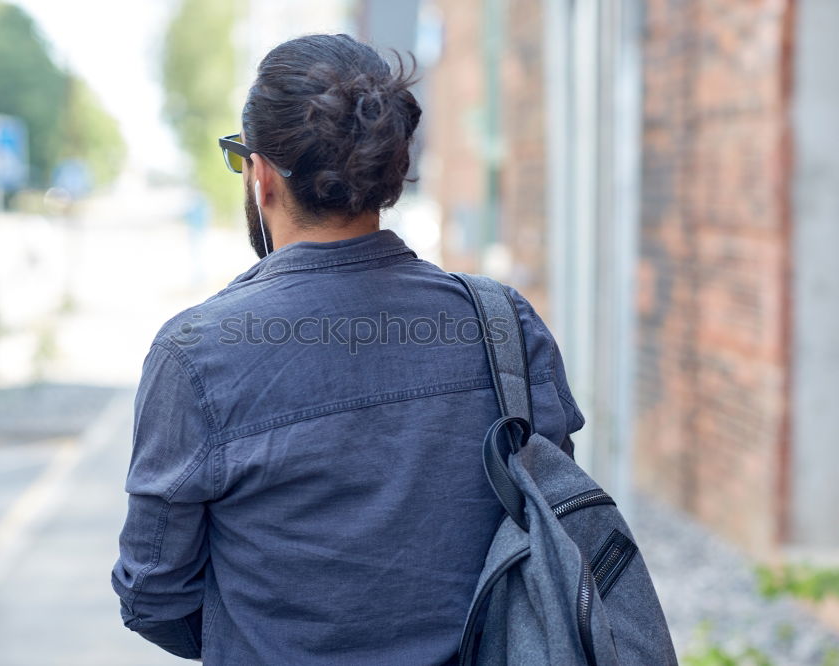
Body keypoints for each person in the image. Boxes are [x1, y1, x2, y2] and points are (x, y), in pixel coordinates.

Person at [111, 34, 583, 665]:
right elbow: (557, 524)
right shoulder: (500, 321)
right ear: (388, 171)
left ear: (262, 175)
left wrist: (254, 634)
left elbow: (153, 594)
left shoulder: (197, 354)